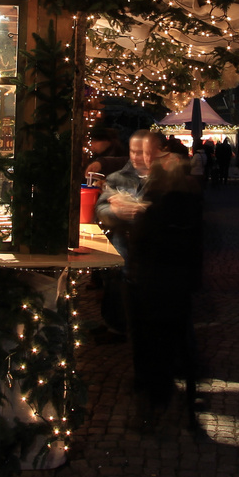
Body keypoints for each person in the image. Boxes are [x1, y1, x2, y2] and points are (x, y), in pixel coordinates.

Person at [122, 137, 205, 435]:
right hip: (179, 287)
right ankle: (183, 396)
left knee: (149, 350)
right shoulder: (192, 205)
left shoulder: (155, 208)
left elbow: (140, 247)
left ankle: (151, 407)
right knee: (175, 343)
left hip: (150, 287)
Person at [95, 129, 162, 339]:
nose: (137, 156)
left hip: (151, 250)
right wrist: (114, 212)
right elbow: (100, 210)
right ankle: (116, 325)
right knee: (116, 281)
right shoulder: (117, 178)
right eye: (133, 151)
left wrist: (139, 212)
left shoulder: (164, 179)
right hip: (122, 245)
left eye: (142, 152)